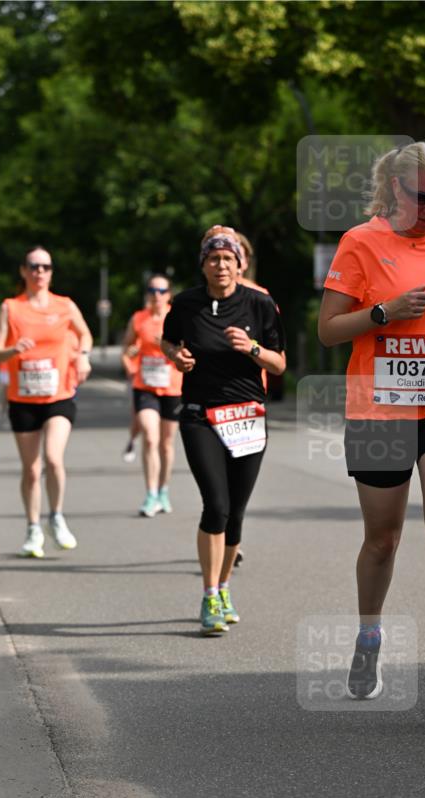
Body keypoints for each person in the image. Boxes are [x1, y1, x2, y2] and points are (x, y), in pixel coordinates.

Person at [318, 141, 425, 710]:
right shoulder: (361, 242)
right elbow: (329, 330)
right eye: (423, 199)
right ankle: (369, 634)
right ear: (396, 189)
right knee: (383, 539)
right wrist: (385, 312)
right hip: (379, 405)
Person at [161, 230, 286, 634]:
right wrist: (176, 357)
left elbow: (280, 364)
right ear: (203, 264)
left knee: (235, 514)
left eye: (228, 259)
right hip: (200, 414)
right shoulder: (186, 304)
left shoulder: (260, 305)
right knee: (215, 504)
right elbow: (166, 342)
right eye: (213, 259)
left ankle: (226, 586)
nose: (221, 265)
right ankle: (210, 593)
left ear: (240, 264)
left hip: (247, 415)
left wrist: (251, 348)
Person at [0, 246, 93, 556]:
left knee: (53, 458)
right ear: (23, 271)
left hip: (58, 394)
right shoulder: (10, 307)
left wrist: (84, 358)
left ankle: (57, 517)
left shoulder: (65, 306)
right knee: (31, 469)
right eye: (34, 267)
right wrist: (13, 350)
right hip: (22, 398)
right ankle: (33, 528)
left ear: (51, 271)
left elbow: (85, 335)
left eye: (46, 267)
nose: (40, 272)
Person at [122, 275, 182, 516]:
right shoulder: (138, 318)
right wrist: (130, 355)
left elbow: (190, 348)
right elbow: (127, 348)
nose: (156, 294)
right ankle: (151, 494)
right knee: (149, 436)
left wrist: (174, 350)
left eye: (161, 290)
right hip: (145, 386)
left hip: (172, 387)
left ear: (168, 294)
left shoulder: (177, 317)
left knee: (167, 444)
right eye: (152, 290)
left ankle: (164, 490)